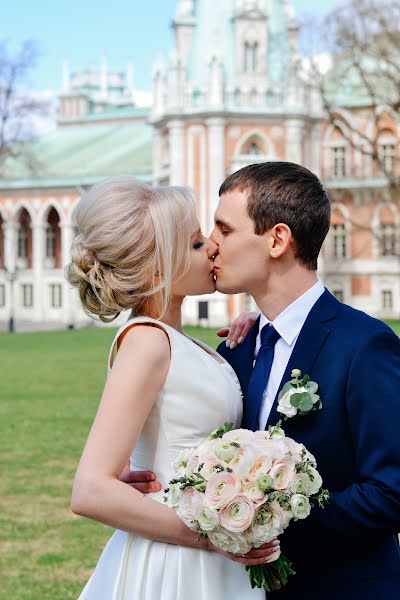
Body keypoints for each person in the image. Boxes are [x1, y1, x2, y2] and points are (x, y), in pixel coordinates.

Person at [132, 161, 400, 599]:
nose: (211, 246)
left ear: (277, 239)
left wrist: (261, 522)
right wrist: (150, 480)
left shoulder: (365, 346)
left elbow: (391, 492)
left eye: (225, 229)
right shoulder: (235, 349)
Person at [67, 176, 277, 600]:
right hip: (177, 561)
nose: (213, 247)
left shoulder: (177, 340)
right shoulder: (147, 340)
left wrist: (262, 326)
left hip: (208, 551)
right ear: (158, 268)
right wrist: (212, 537)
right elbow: (90, 489)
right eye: (197, 244)